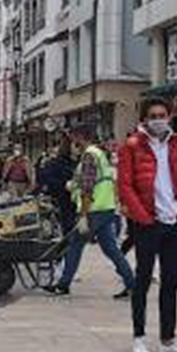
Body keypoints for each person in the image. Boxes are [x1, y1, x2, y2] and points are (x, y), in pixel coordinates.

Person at [119, 99, 177, 352]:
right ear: (144, 118)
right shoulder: (132, 146)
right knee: (142, 280)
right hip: (148, 223)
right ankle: (139, 337)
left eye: (162, 115)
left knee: (171, 281)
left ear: (169, 116)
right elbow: (126, 186)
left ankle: (168, 339)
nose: (158, 119)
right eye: (153, 115)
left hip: (174, 221)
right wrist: (142, 217)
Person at [44, 124, 135, 299]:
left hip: (93, 210)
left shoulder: (89, 156)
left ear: (80, 137)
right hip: (105, 207)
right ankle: (132, 284)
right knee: (110, 249)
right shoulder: (99, 154)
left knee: (75, 245)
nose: (72, 141)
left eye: (73, 137)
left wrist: (84, 215)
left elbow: (87, 188)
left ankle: (63, 285)